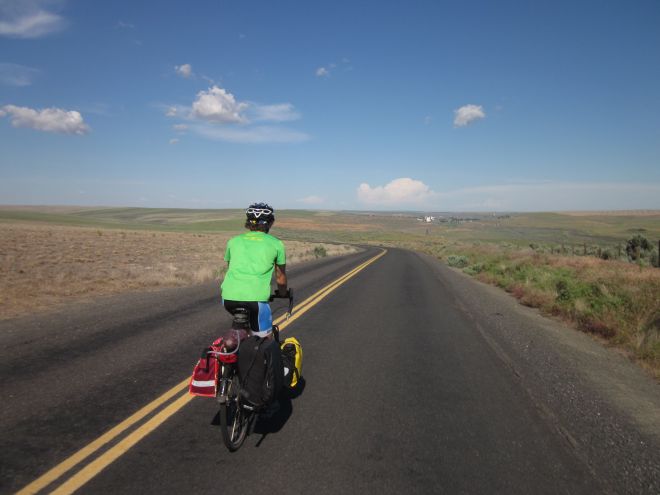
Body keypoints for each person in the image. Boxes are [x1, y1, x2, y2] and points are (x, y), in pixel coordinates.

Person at [220, 202, 287, 337]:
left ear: (248, 222)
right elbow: (280, 277)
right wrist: (283, 293)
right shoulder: (276, 244)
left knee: (243, 331)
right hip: (255, 300)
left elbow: (231, 267)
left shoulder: (233, 241)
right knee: (264, 339)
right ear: (271, 222)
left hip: (228, 298)